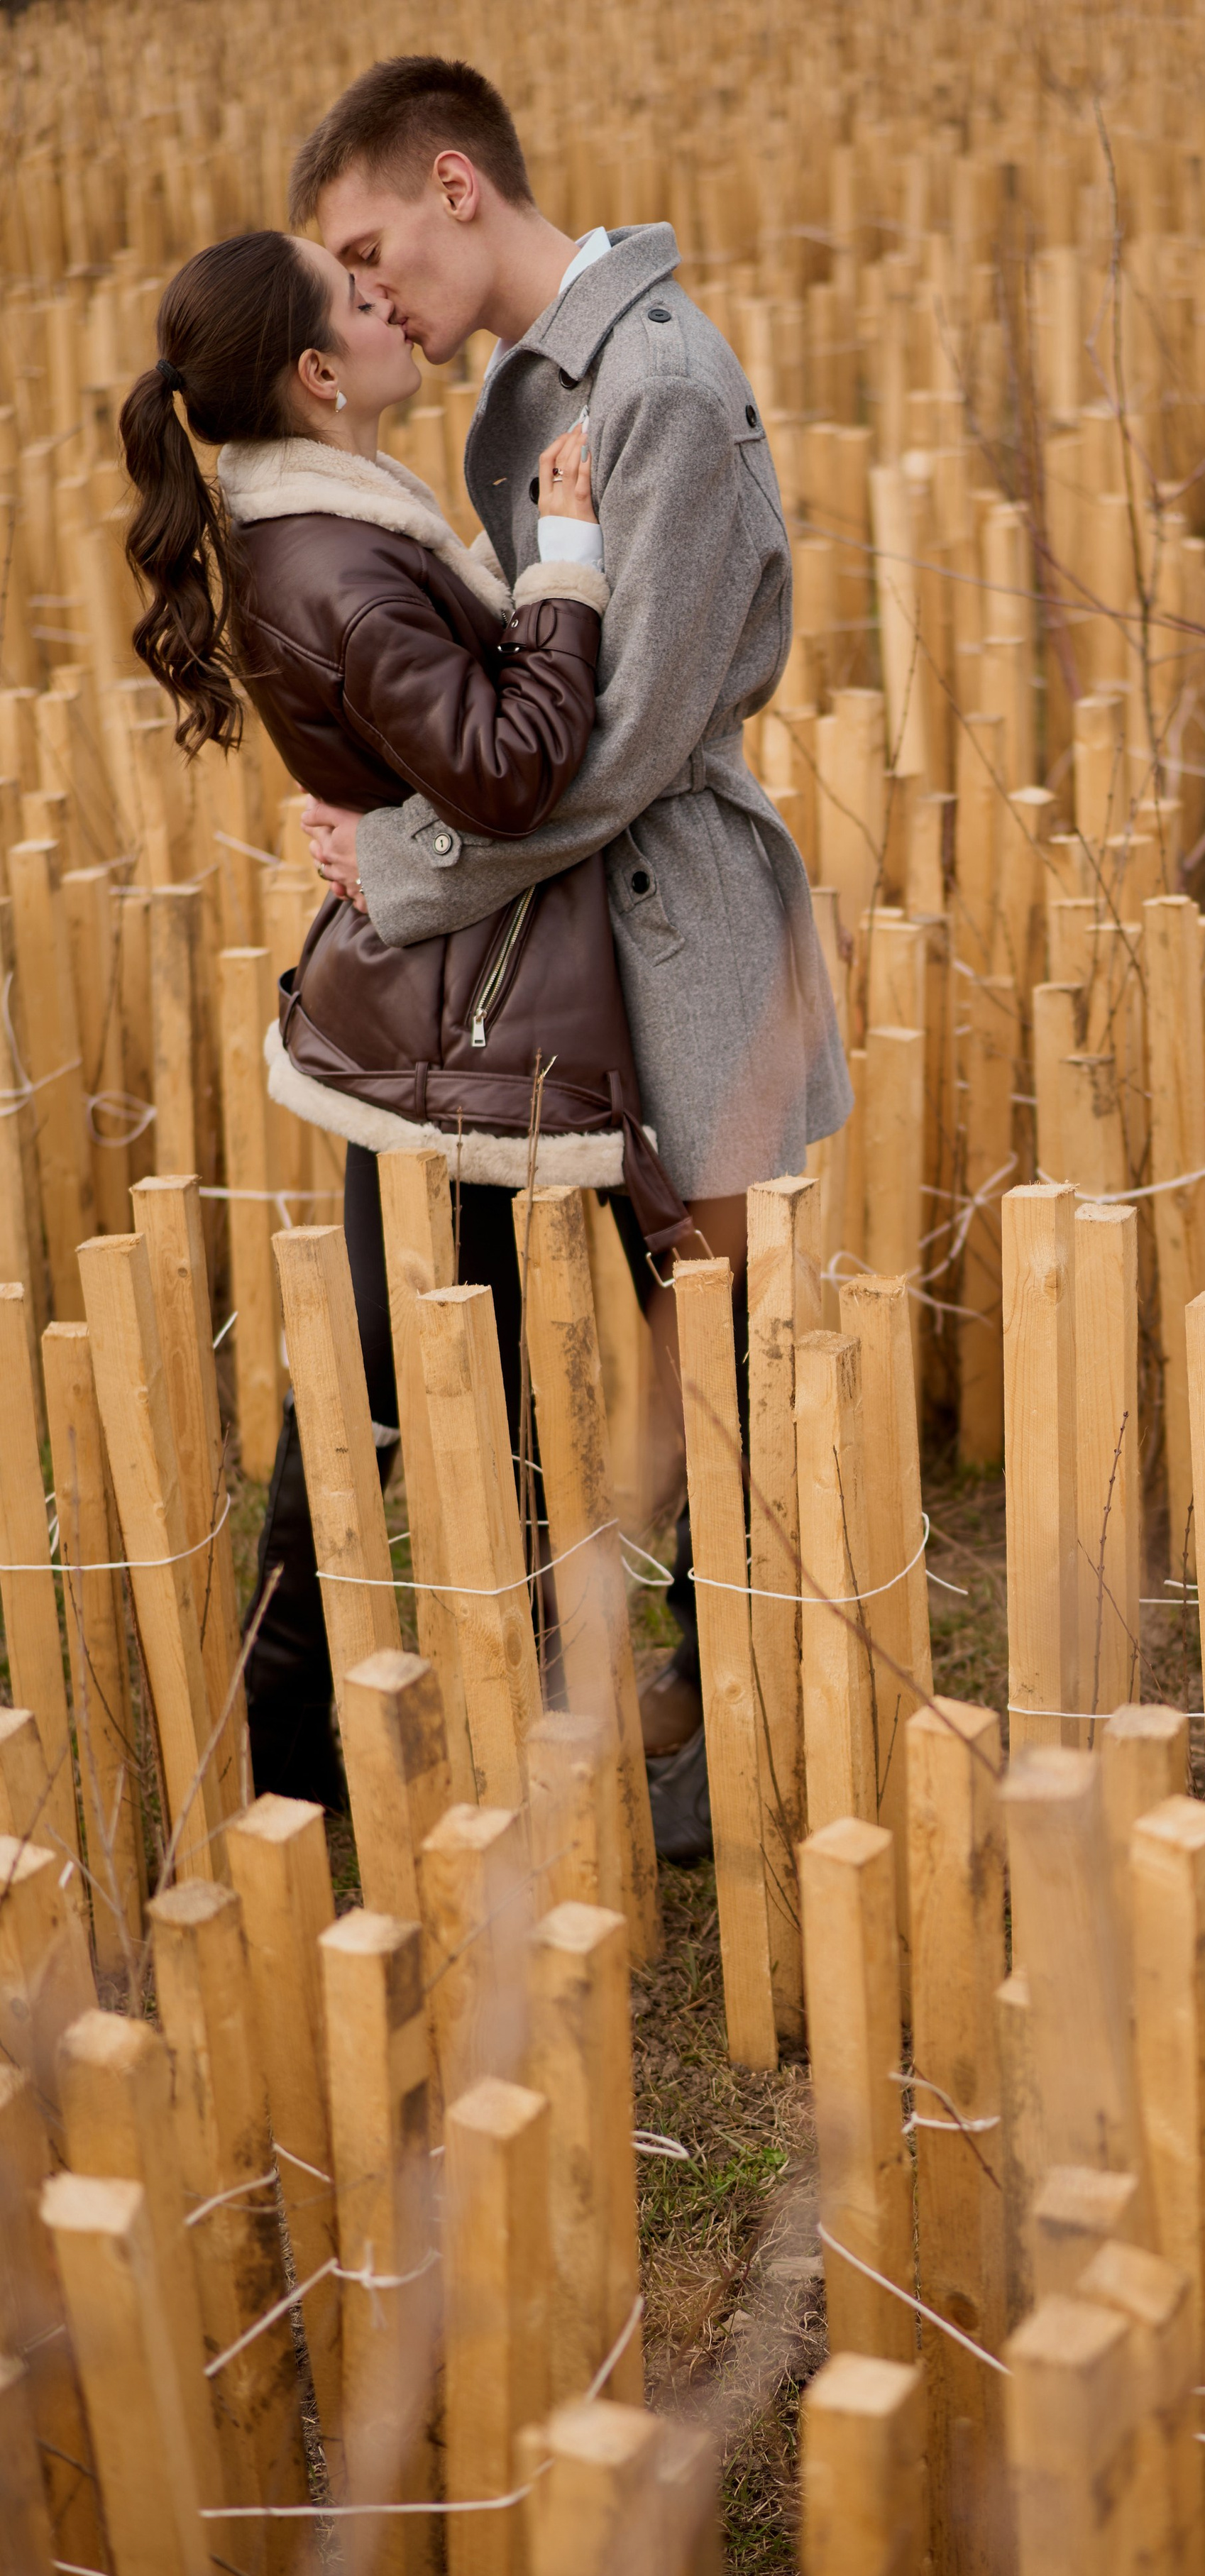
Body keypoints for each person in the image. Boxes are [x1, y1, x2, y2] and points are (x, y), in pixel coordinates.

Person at [287, 57, 852, 1770]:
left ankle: (753, 1751)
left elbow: (608, 758)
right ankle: (656, 1702)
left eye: (376, 247)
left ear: (459, 185)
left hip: (676, 922)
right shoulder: (539, 389)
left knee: (729, 1341)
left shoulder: (654, 386)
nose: (370, 294)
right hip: (569, 933)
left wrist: (397, 870)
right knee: (612, 1330)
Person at [119, 224, 687, 1813]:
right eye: (361, 300)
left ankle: (332, 1753)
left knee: (422, 1386)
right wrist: (568, 558)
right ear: (317, 372)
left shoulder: (338, 530)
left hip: (449, 1018)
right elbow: (508, 766)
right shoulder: (341, 566)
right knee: (388, 1395)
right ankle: (284, 1772)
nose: (392, 305)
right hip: (459, 1039)